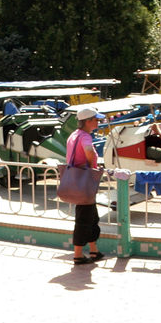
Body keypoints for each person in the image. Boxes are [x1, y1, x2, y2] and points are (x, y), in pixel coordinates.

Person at [67, 106, 106, 265]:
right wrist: (91, 168)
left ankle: (93, 250)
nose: (98, 122)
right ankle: (78, 254)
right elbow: (89, 151)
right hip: (85, 180)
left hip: (77, 180)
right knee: (84, 217)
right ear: (88, 121)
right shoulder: (85, 137)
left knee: (92, 216)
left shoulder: (74, 135)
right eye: (96, 120)